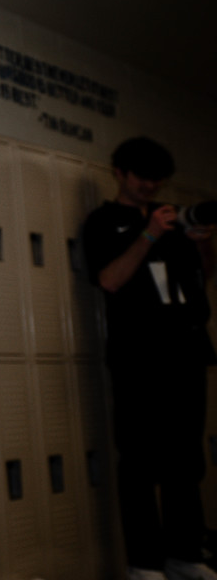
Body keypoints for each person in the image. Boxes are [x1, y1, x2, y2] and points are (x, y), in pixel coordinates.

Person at [83, 137, 217, 580]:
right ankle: (144, 563)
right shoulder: (104, 221)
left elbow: (198, 279)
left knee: (185, 459)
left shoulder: (172, 224)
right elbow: (109, 278)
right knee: (140, 460)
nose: (149, 186)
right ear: (119, 172)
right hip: (140, 357)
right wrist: (149, 234)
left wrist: (200, 244)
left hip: (186, 351)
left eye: (157, 179)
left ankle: (184, 553)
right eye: (141, 176)